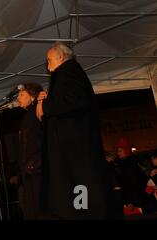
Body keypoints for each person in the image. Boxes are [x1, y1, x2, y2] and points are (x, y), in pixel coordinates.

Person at [36, 42, 113, 219]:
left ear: (61, 57)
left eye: (49, 60)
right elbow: (68, 102)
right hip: (73, 148)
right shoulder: (66, 74)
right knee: (78, 190)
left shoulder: (69, 72)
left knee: (82, 189)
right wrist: (47, 100)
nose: (48, 66)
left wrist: (47, 106)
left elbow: (76, 100)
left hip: (77, 149)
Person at [15, 83, 44, 219]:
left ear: (32, 97)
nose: (18, 98)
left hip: (37, 169)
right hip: (30, 168)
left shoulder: (37, 113)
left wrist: (35, 162)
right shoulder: (27, 117)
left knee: (38, 206)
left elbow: (44, 139)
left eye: (22, 95)